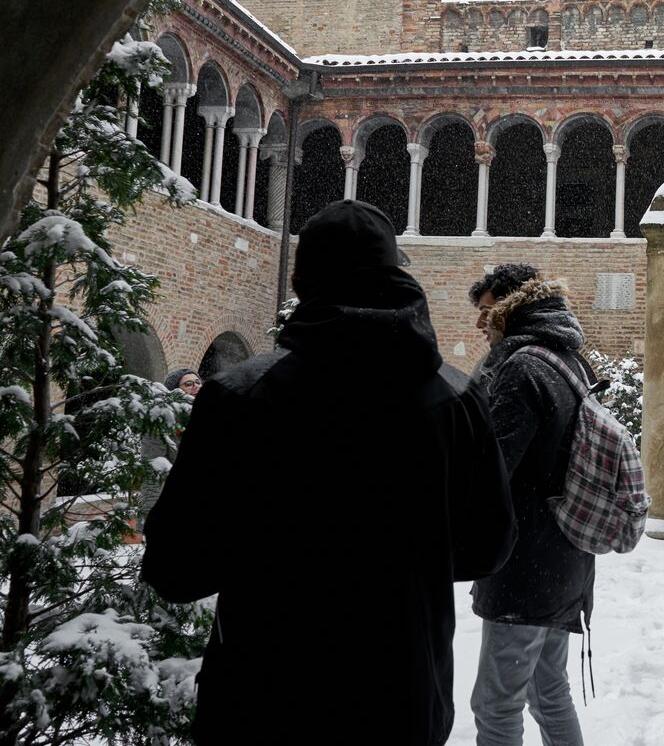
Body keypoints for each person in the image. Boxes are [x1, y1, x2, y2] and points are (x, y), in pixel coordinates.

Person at [141, 200, 516, 746]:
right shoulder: (458, 399)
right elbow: (488, 546)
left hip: (264, 698)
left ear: (299, 282)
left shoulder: (239, 397)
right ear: (397, 276)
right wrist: (403, 564)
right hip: (401, 695)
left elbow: (176, 566)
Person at [468, 264, 593, 746]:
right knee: (549, 692)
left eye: (487, 312)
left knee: (496, 705)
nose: (480, 324)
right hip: (564, 560)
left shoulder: (521, 368)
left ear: (510, 306)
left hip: (525, 567)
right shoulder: (568, 360)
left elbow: (490, 470)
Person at [137, 368, 201, 529]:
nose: (196, 386)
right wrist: (150, 520)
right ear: (174, 392)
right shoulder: (160, 423)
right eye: (188, 384)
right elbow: (153, 474)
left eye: (198, 382)